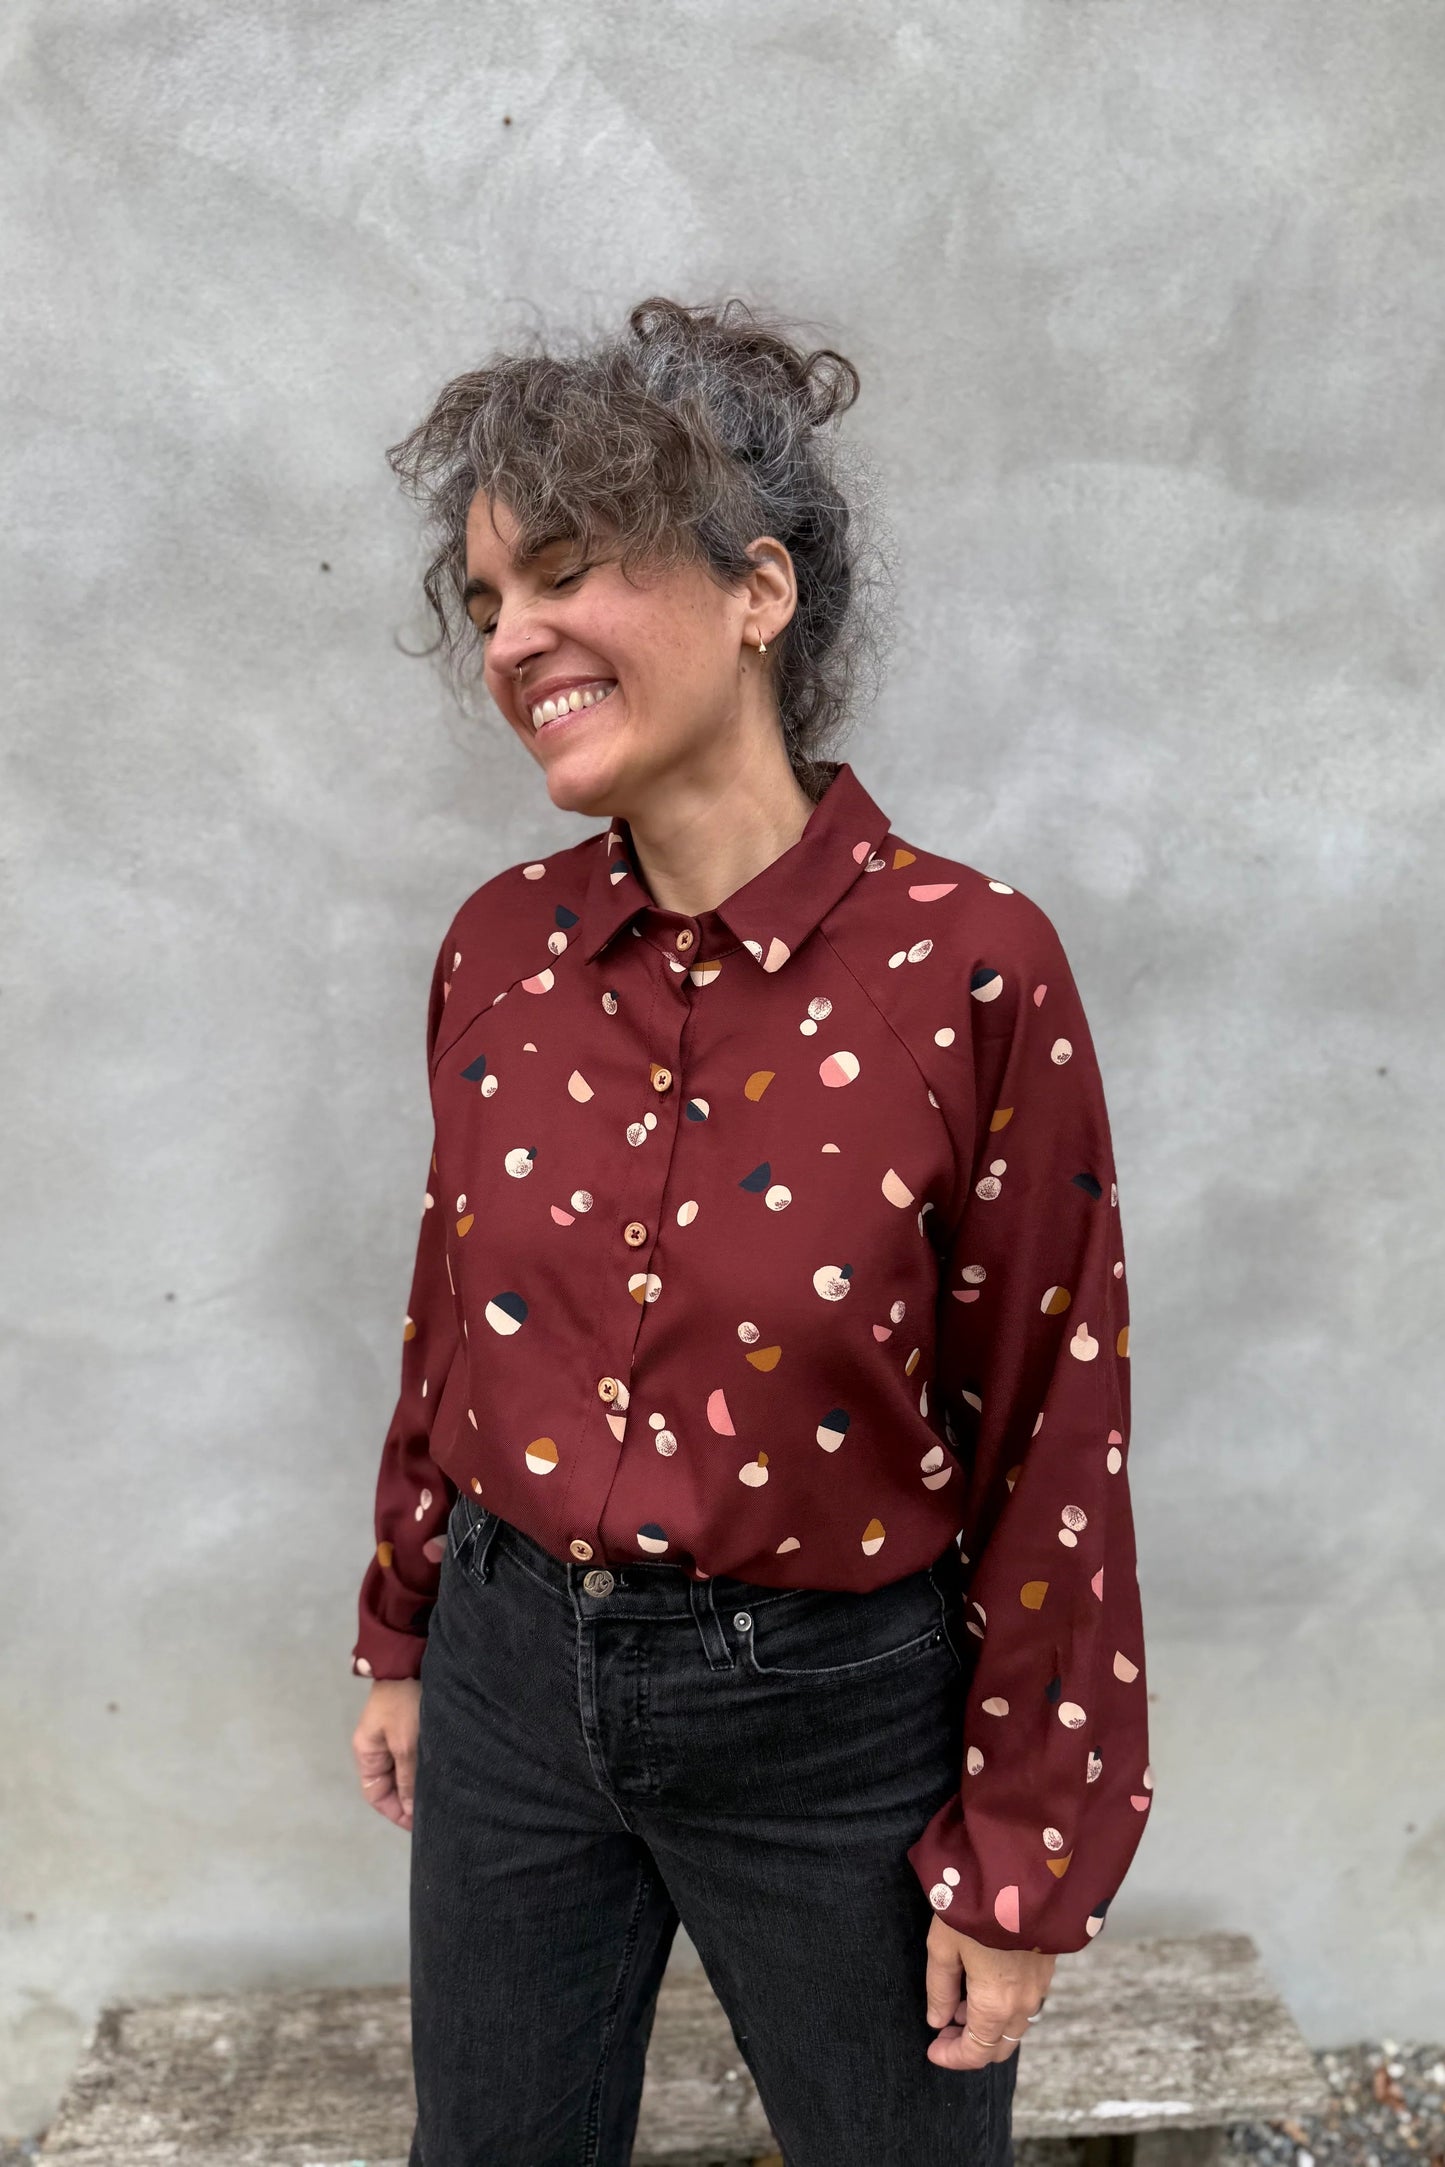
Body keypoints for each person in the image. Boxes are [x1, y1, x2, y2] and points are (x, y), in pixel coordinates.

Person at [348, 294, 1153, 2167]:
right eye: (487, 600)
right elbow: (453, 1319)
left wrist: (1025, 1850)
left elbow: (1053, 1428)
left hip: (833, 1721)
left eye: (566, 574)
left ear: (758, 592)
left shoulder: (969, 969)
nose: (510, 638)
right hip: (508, 1677)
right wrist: (402, 1625)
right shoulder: (500, 949)